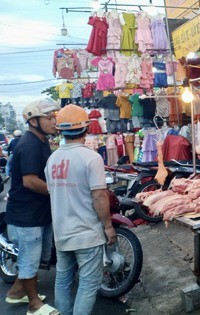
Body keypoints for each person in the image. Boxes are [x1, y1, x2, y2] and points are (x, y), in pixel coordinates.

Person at [44, 104, 116, 315]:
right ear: (86, 128)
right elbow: (99, 195)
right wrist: (108, 226)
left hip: (62, 233)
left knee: (63, 280)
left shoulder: (52, 159)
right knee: (87, 284)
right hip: (86, 234)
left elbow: (53, 192)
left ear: (61, 130)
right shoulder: (90, 157)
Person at [4, 99, 60, 315]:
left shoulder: (41, 141)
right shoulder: (28, 144)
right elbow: (30, 181)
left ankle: (18, 292)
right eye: (49, 118)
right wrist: (58, 192)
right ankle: (34, 304)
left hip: (38, 211)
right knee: (29, 258)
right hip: (26, 214)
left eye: (54, 117)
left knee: (35, 257)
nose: (54, 121)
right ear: (33, 120)